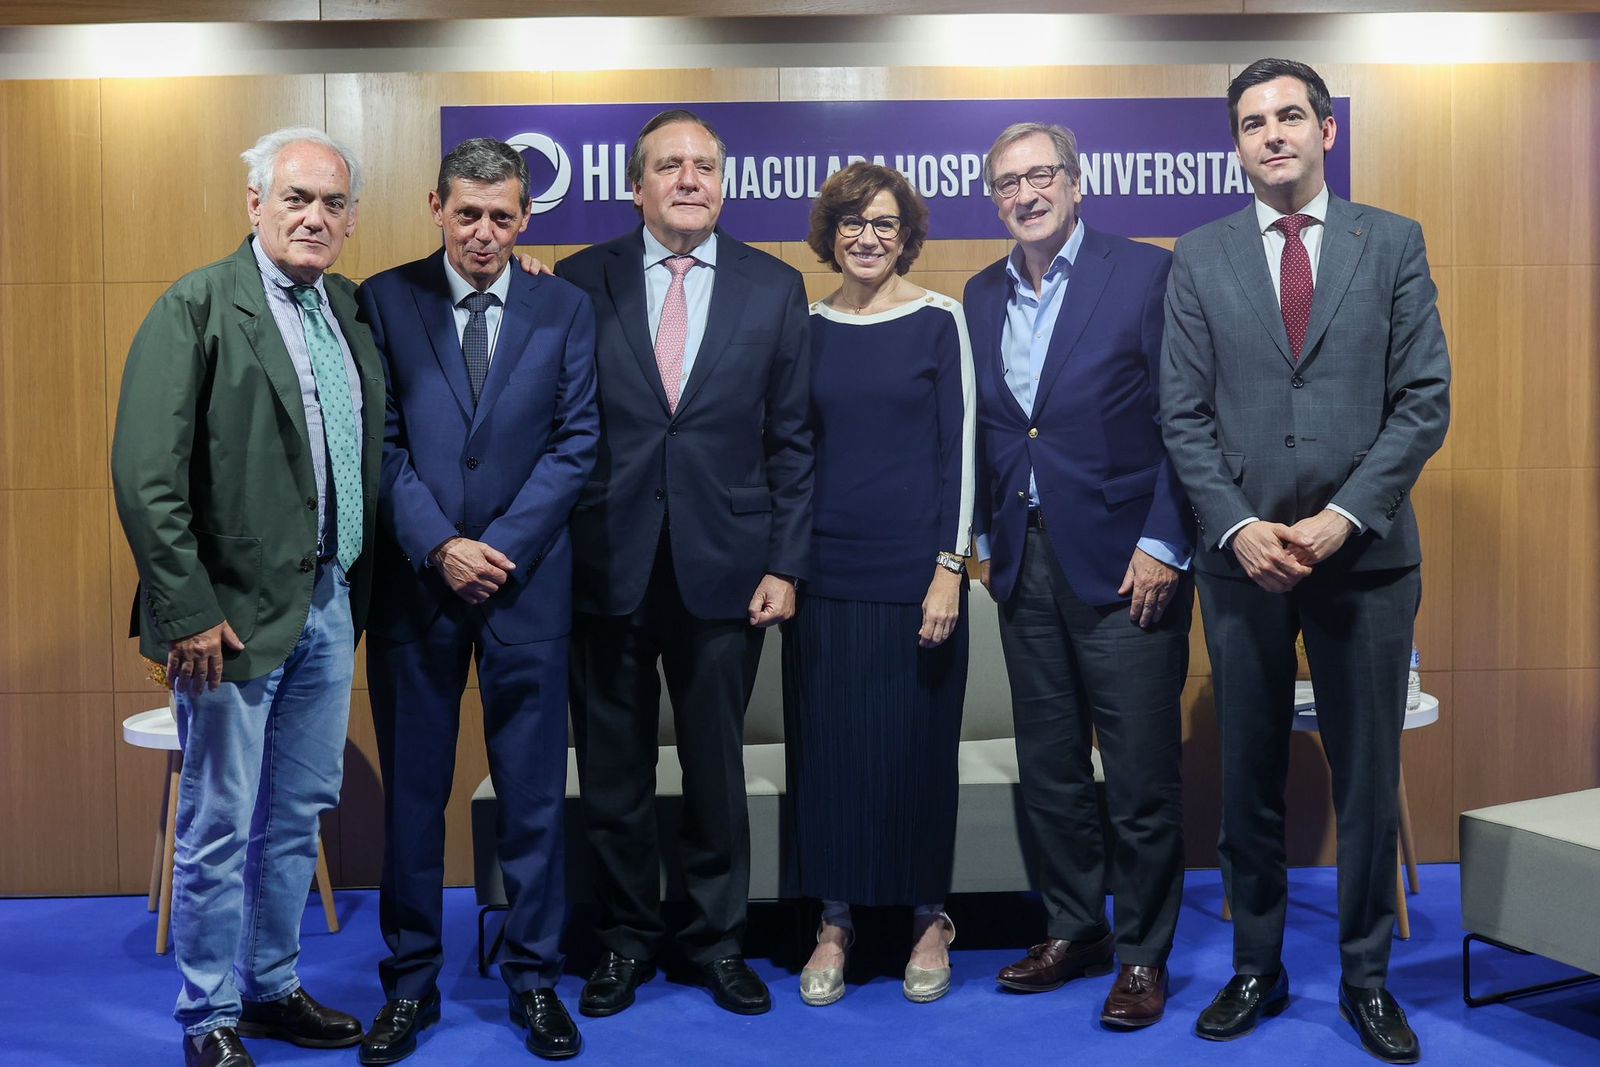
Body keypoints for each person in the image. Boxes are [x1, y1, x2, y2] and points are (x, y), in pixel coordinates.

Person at [1161, 59, 1450, 1064]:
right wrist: (1238, 525)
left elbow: (1423, 398)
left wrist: (1345, 517)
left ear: (1326, 130)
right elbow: (1182, 414)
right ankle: (1256, 965)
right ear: (1235, 144)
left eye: (1289, 115)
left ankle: (1366, 978)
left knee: (1367, 777)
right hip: (1240, 562)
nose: (1272, 133)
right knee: (1248, 774)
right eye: (1252, 121)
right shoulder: (1196, 257)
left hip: (1362, 560)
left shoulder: (1392, 243)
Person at [111, 126, 383, 1067]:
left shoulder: (345, 308)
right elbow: (146, 476)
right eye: (297, 198)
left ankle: (272, 987)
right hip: (224, 620)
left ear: (351, 218)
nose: (316, 216)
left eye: (334, 203)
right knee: (220, 820)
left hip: (328, 599)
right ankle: (208, 1014)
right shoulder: (195, 305)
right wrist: (184, 610)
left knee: (299, 809)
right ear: (255, 206)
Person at [553, 109, 812, 1018]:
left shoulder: (774, 287)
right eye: (670, 165)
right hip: (605, 564)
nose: (690, 178)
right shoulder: (576, 282)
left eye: (705, 165)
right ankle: (625, 939)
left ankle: (716, 941)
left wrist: (786, 561)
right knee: (614, 775)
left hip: (727, 568)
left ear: (725, 183)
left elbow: (793, 439)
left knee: (715, 771)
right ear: (636, 186)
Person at [353, 138, 599, 1063]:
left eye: (502, 217)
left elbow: (577, 441)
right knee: (415, 798)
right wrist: (442, 545)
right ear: (435, 205)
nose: (484, 233)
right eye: (468, 214)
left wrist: (498, 547)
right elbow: (376, 441)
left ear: (526, 218)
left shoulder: (564, 305)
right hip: (420, 587)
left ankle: (534, 981)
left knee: (533, 798)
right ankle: (410, 986)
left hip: (527, 587)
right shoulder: (383, 298)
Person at [967, 122, 1193, 1029]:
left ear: (1077, 182)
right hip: (1022, 564)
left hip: (1128, 564)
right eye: (1007, 183)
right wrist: (981, 539)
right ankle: (1075, 927)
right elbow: (993, 429)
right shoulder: (981, 293)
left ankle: (1141, 953)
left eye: (1040, 176)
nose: (1025, 194)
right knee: (1051, 767)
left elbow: (1189, 417)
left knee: (1139, 776)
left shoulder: (1143, 273)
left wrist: (1167, 543)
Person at [783, 162, 975, 1007]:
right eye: (854, 223)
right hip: (824, 576)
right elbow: (790, 453)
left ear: (908, 236)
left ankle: (930, 917)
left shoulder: (943, 321)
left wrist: (951, 568)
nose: (869, 236)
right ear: (831, 233)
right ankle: (834, 920)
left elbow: (962, 452)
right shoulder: (806, 325)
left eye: (886, 223)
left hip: (917, 577)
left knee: (916, 751)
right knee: (828, 752)